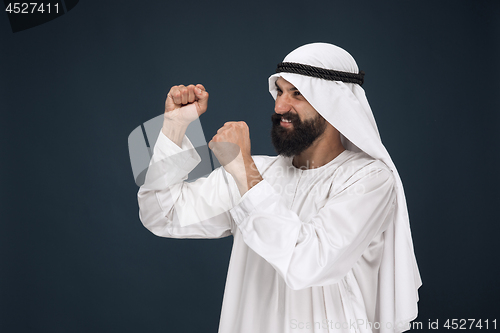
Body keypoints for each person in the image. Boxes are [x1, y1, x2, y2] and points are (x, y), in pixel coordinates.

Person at [137, 42, 421, 333]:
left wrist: (242, 169)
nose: (280, 106)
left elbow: (308, 263)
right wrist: (174, 126)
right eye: (280, 92)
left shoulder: (369, 179)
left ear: (334, 102)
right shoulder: (256, 172)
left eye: (297, 94)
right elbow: (162, 214)